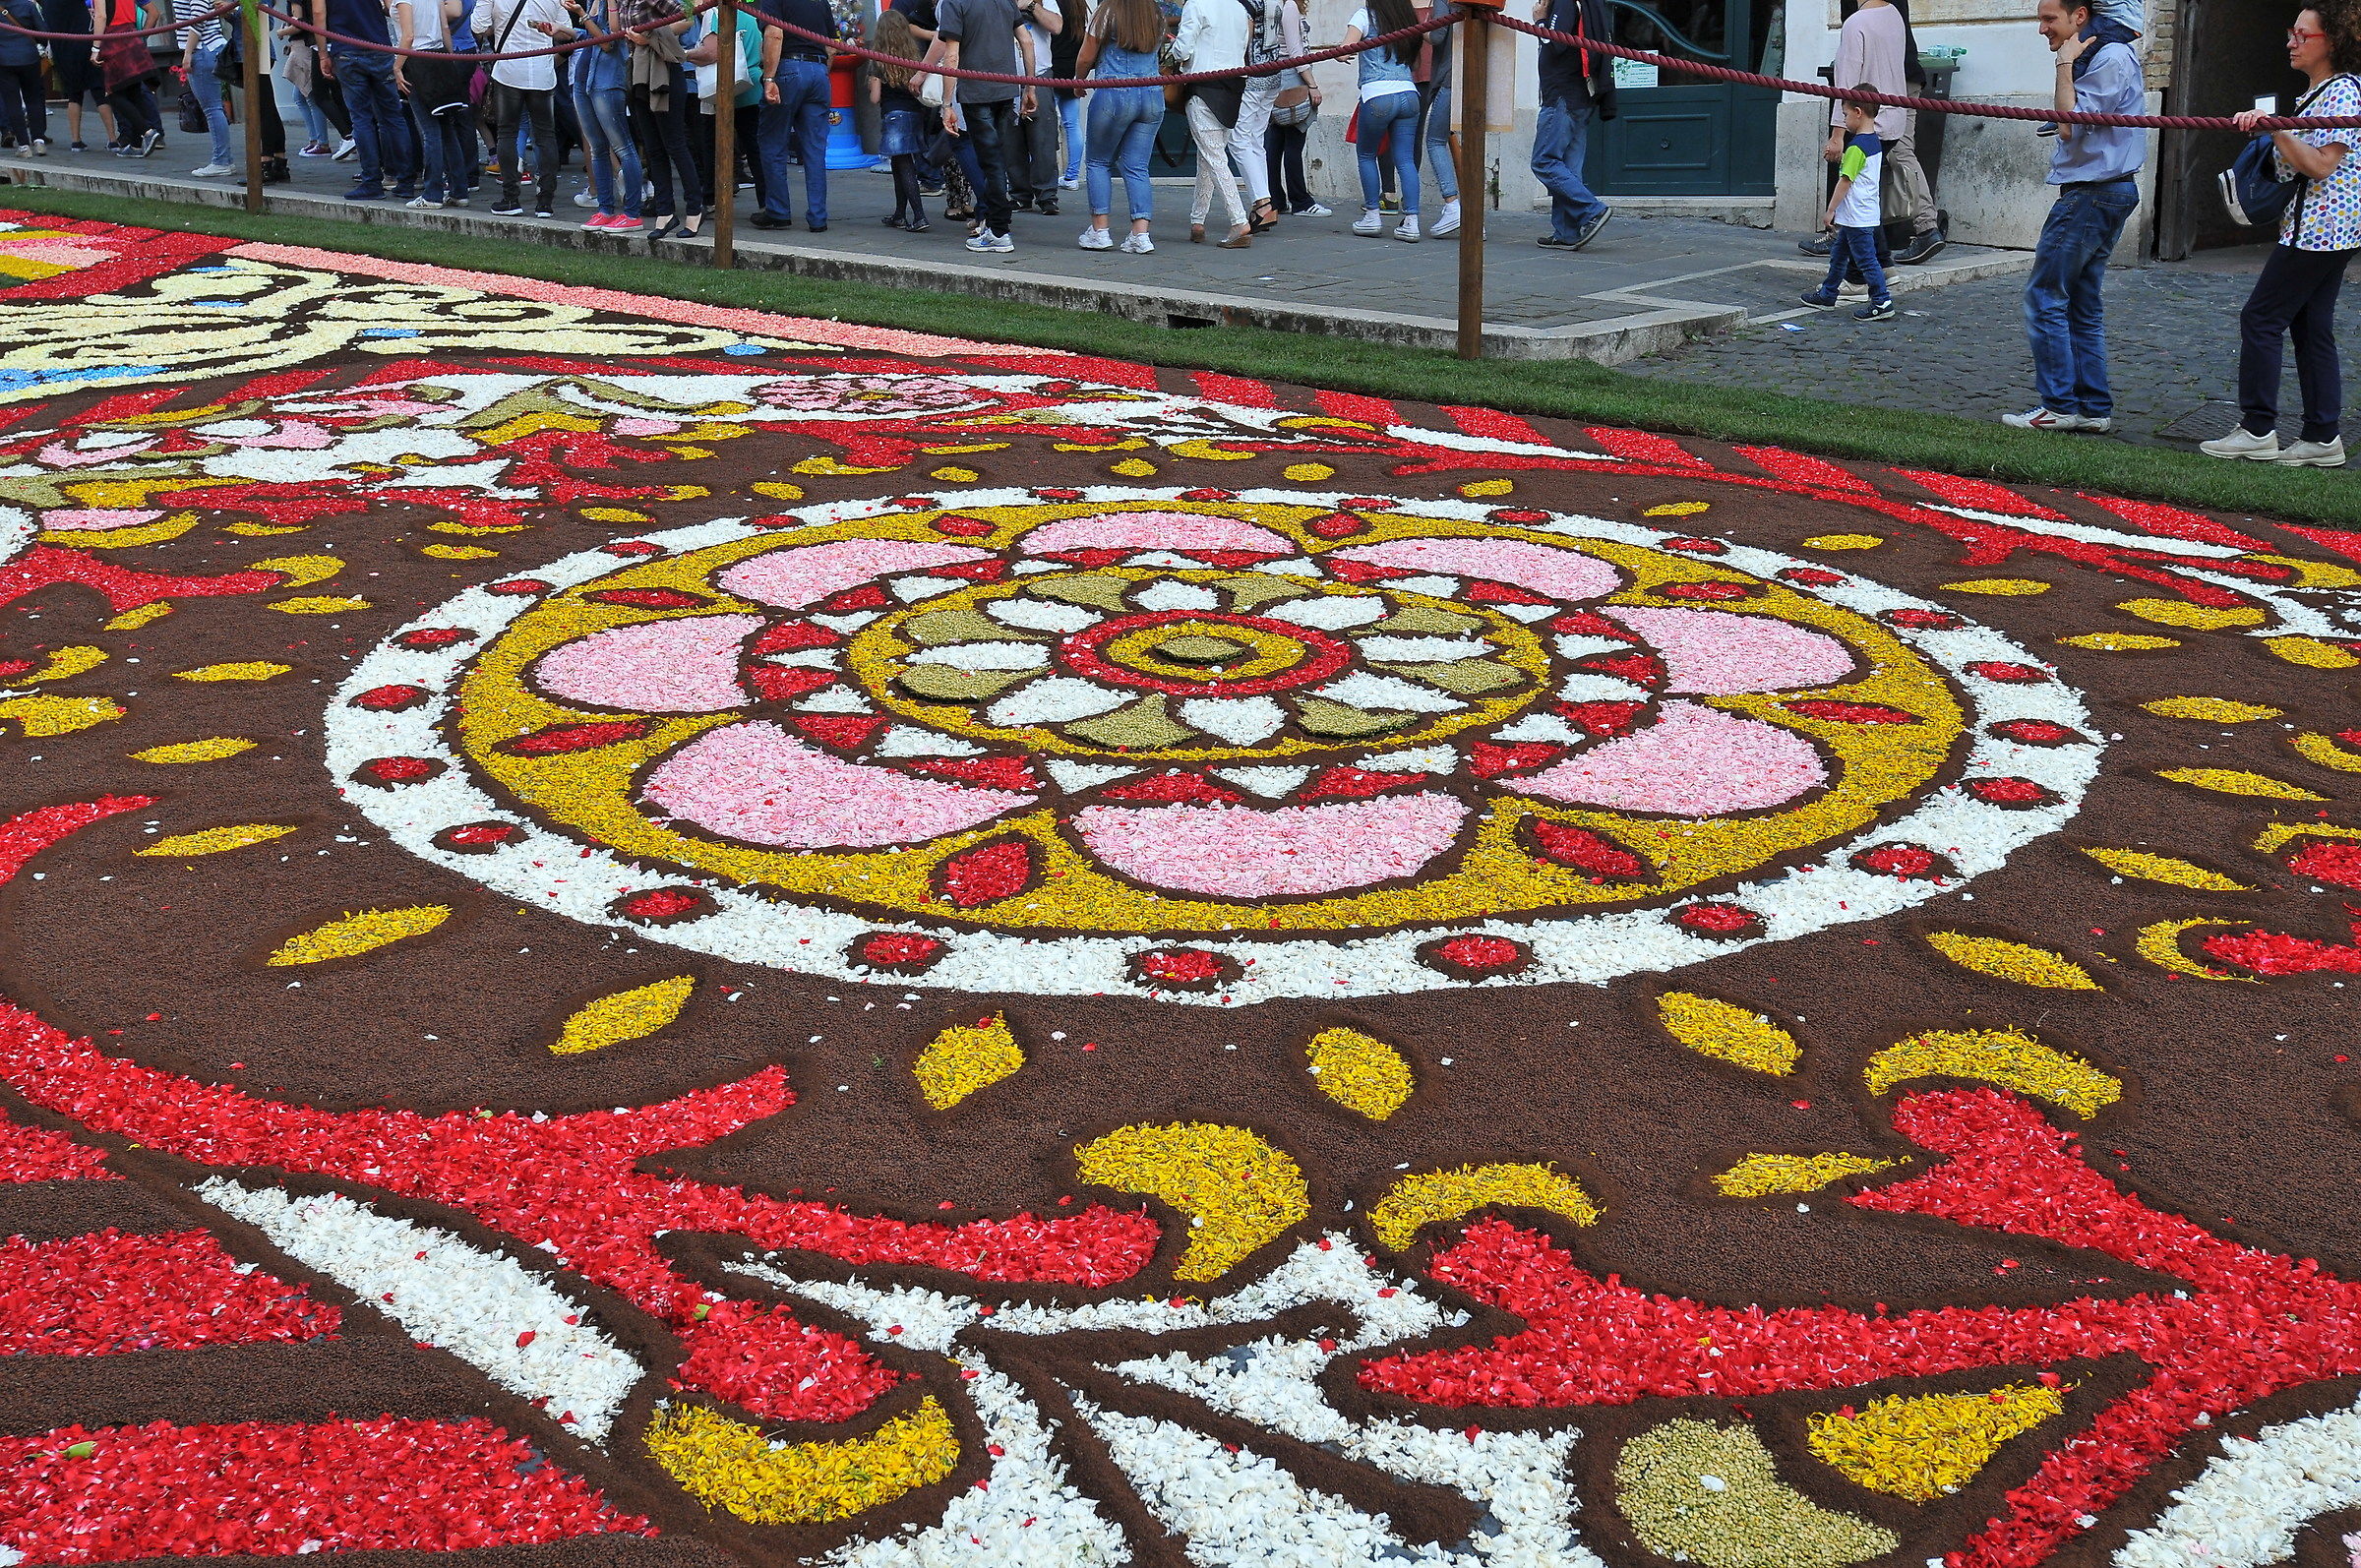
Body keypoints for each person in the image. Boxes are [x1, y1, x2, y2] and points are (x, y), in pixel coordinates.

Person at [2201, 2, 2360, 466]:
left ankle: (2256, 428)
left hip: (2320, 231)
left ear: (2331, 41)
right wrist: (2273, 132)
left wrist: (2275, 131)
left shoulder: (2343, 93)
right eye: (2291, 32)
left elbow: (2320, 165)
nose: (2291, 42)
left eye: (2302, 34)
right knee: (2311, 328)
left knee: (2261, 318)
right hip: (2321, 230)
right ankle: (2323, 437)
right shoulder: (2318, 92)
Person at [2002, 0, 2144, 432]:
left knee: (2045, 296)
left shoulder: (2110, 55)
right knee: (2082, 303)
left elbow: (2071, 124)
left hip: (2093, 194)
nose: (2042, 29)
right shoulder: (2101, 54)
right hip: (2101, 191)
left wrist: (2065, 64)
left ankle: (2060, 405)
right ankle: (2091, 409)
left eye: (2049, 19)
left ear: (2079, 17)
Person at [1816, 0, 1941, 266]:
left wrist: (1837, 133)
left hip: (1872, 109)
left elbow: (1847, 83)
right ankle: (1885, 259)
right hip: (1891, 105)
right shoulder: (1891, 13)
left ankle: (1848, 241)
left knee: (1861, 183)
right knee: (1874, 183)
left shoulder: (1859, 22)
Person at [1799, 88, 1897, 320]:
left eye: (1845, 114)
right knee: (1839, 254)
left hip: (1855, 216)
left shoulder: (1856, 147)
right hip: (1862, 213)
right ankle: (1828, 293)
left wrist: (1830, 210)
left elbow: (1845, 182)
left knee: (1866, 260)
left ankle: (1882, 301)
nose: (1844, 119)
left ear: (1858, 112)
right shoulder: (1874, 142)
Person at [938, 0, 1027, 252]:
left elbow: (951, 55)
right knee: (996, 159)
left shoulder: (955, 3)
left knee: (991, 162)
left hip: (977, 92)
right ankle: (995, 225)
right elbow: (1027, 41)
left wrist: (947, 104)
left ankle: (999, 230)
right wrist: (1029, 85)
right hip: (1005, 88)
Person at [474, 0, 574, 215]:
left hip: (509, 70)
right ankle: (545, 202)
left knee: (507, 133)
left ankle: (511, 199)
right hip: (542, 71)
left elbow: (478, 27)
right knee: (545, 136)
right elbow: (567, 34)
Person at [1530, 0, 1613, 250]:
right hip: (1581, 96)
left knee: (1544, 161)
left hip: (1562, 97)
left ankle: (1592, 210)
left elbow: (1555, 43)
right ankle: (1566, 231)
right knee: (1568, 168)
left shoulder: (1564, 2)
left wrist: (1540, 20)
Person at [1075, 0, 1158, 250]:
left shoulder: (1108, 10)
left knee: (1098, 162)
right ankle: (1140, 235)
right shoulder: (1153, 11)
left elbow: (1087, 53)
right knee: (1137, 166)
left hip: (1114, 91)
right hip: (1151, 93)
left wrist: (1079, 79)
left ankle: (1100, 230)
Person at [752, 0, 835, 230]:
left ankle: (778, 211)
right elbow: (831, 46)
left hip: (789, 67)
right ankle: (818, 217)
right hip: (819, 71)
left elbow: (775, 34)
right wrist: (819, 75)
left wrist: (769, 78)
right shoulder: (821, 2)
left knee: (772, 142)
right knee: (815, 149)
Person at [623, 0, 703, 238]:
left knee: (675, 144)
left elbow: (688, 17)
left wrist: (651, 37)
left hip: (663, 70)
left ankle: (694, 209)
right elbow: (616, 30)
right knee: (653, 148)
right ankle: (665, 211)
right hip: (637, 71)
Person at [1174, 0, 1251, 245]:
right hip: (1233, 87)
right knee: (1208, 156)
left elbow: (1182, 51)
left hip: (1203, 87)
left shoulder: (1196, 5)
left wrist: (1175, 48)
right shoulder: (1240, 8)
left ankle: (1239, 221)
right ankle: (1198, 221)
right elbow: (1243, 46)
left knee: (1214, 158)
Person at [1345, 0, 1421, 240]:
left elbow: (1347, 46)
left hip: (1377, 94)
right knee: (1406, 160)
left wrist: (1341, 53)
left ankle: (1372, 216)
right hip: (1409, 94)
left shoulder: (1364, 15)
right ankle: (1411, 222)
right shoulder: (1406, 18)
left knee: (1366, 155)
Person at [329, 0, 417, 198]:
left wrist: (323, 55)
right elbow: (389, 6)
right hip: (379, 46)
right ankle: (405, 180)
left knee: (361, 118)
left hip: (346, 48)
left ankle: (372, 181)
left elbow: (318, 13)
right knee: (393, 116)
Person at [1227, 0, 1297, 234]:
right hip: (1273, 72)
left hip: (1252, 75)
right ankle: (1267, 204)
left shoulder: (1245, 2)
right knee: (1256, 140)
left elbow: (1243, 39)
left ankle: (1262, 202)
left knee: (1238, 140)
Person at [571, 0, 641, 226]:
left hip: (608, 79)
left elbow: (610, 39)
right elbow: (592, 35)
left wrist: (581, 13)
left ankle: (632, 213)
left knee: (623, 148)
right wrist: (563, 30)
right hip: (584, 78)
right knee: (597, 148)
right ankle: (605, 209)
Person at [870, 5, 930, 228]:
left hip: (894, 115)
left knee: (904, 166)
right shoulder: (915, 56)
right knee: (900, 164)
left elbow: (875, 98)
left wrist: (872, 84)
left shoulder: (878, 60)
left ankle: (920, 215)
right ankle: (899, 214)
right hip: (915, 113)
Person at [42, 0, 113, 151]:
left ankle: (76, 140)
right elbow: (100, 15)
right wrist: (96, 48)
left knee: (74, 95)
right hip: (84, 40)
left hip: (62, 46)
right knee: (99, 91)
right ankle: (112, 139)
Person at [1421, 0, 1460, 236]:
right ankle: (1474, 216)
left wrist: (1422, 29)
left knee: (1435, 141)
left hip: (1450, 78)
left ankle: (1452, 204)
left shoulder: (1445, 1)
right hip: (1476, 78)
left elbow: (1437, 36)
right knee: (1462, 143)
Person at [0, 0, 49, 155]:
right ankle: (39, 141)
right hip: (29, 58)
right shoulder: (27, 5)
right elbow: (42, 32)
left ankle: (23, 146)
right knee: (34, 99)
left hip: (4, 60)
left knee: (12, 103)